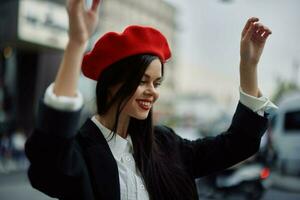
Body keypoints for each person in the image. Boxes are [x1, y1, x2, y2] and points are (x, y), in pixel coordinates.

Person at [25, 0, 277, 200]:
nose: (153, 92)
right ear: (112, 85)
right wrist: (76, 43)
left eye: (156, 83)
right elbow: (48, 161)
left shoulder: (166, 145)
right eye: (143, 81)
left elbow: (238, 144)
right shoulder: (78, 151)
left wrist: (248, 67)